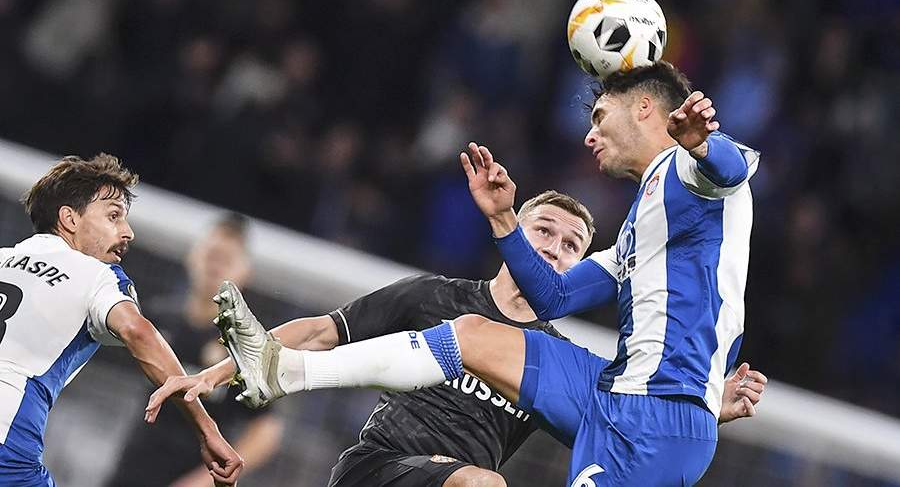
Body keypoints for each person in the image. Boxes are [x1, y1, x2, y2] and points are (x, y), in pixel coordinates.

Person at [147, 197, 765, 485]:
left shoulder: (551, 362)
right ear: (515, 233)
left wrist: (709, 406)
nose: (554, 247)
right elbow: (320, 331)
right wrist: (218, 371)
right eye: (543, 230)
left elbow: (626, 420)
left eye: (571, 244)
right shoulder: (435, 297)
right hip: (377, 470)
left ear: (579, 266)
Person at [0, 154, 243, 486]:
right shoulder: (97, 275)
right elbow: (137, 332)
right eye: (113, 216)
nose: (127, 232)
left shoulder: (3, 257)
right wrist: (207, 430)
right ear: (69, 219)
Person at [105, 213, 283, 487]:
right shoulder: (156, 319)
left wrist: (202, 481)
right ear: (193, 256)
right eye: (212, 254)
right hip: (133, 469)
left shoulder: (246, 346)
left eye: (227, 260)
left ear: (245, 273)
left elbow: (267, 429)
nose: (215, 265)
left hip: (194, 473)